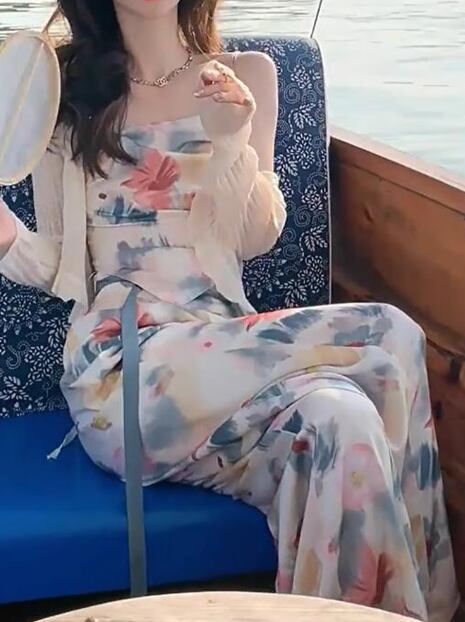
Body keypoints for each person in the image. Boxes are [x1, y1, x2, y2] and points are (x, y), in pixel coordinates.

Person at [0, 0, 459, 619]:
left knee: (341, 417)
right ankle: (442, 604)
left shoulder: (248, 75)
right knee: (390, 333)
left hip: (229, 359)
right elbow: (58, 265)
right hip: (126, 374)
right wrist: (7, 238)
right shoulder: (68, 96)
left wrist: (229, 139)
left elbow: (255, 237)